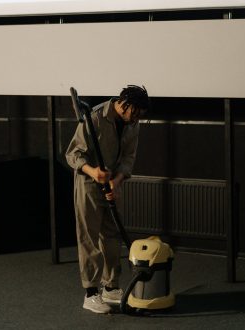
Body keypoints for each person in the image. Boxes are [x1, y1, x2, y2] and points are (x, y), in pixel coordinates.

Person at [65, 85, 149, 314]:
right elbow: (72, 154)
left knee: (112, 236)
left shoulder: (133, 123)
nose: (137, 118)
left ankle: (111, 287)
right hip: (88, 183)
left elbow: (129, 156)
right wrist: (94, 173)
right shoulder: (94, 117)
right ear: (124, 104)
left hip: (110, 183)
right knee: (89, 237)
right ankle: (91, 293)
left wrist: (117, 181)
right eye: (136, 113)